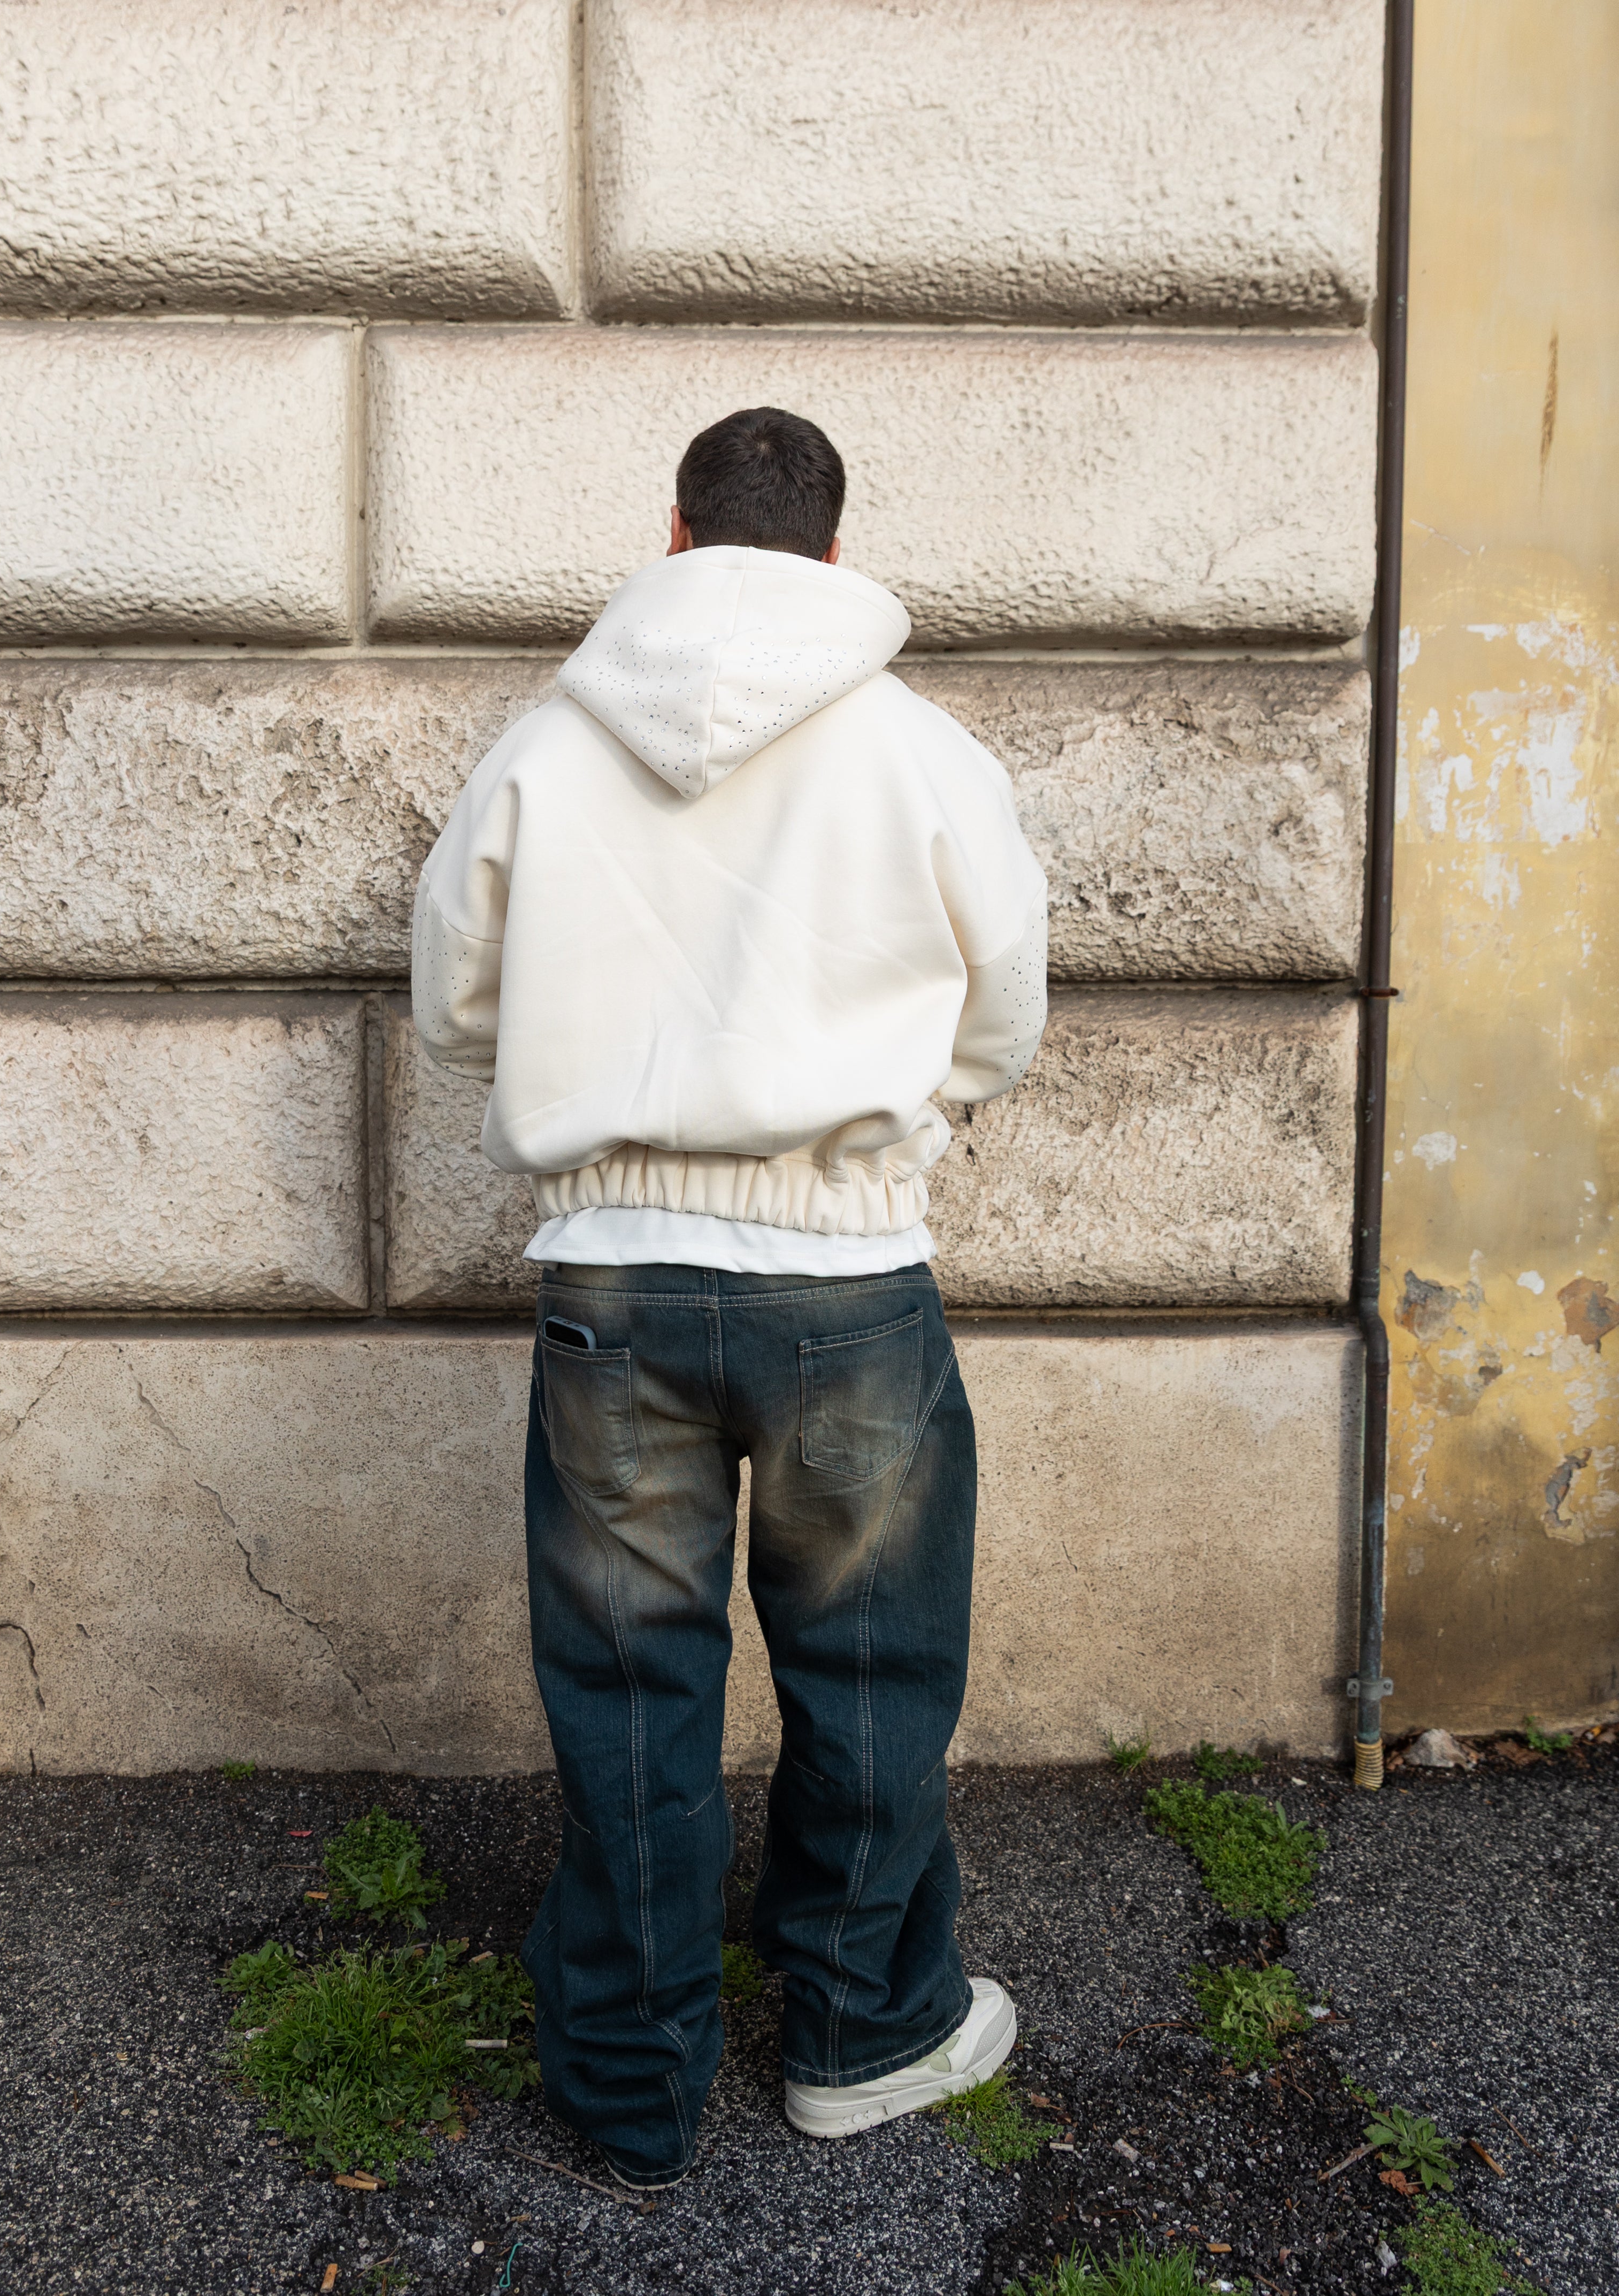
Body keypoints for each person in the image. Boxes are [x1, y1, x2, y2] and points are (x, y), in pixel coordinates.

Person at [412, 407, 1048, 2190]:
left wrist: (604, 1112)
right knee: (871, 1672)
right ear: (834, 552)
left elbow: (455, 1003)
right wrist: (872, 1127)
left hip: (611, 1284)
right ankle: (865, 2034)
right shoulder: (921, 749)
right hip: (848, 1285)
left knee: (626, 1689)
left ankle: (631, 2087)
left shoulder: (545, 743)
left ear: (674, 533)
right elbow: (1001, 1012)